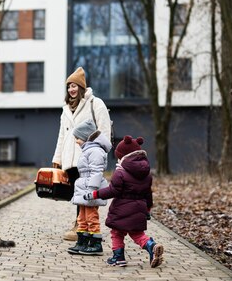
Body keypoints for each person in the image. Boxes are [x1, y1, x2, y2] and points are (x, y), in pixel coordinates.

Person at [83, 135, 165, 268]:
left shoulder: (120, 173)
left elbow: (112, 191)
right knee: (137, 234)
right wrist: (147, 210)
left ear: (123, 156)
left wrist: (94, 194)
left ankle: (118, 257)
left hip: (122, 208)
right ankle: (151, 245)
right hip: (139, 209)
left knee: (116, 232)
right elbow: (148, 194)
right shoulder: (147, 174)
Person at [52, 67, 111, 241]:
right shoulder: (65, 109)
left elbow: (104, 130)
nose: (71, 89)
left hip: (88, 157)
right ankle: (81, 223)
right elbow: (62, 135)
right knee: (77, 192)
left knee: (87, 192)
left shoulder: (95, 103)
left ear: (81, 87)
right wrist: (57, 158)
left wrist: (100, 153)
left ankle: (83, 227)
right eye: (69, 86)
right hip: (70, 157)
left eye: (74, 86)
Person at [67, 118, 111, 255]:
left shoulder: (95, 151)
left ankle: (95, 244)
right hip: (84, 187)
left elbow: (96, 172)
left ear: (86, 137)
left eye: (78, 138)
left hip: (90, 189)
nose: (76, 141)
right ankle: (83, 241)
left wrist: (92, 190)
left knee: (91, 217)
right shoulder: (88, 150)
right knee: (82, 217)